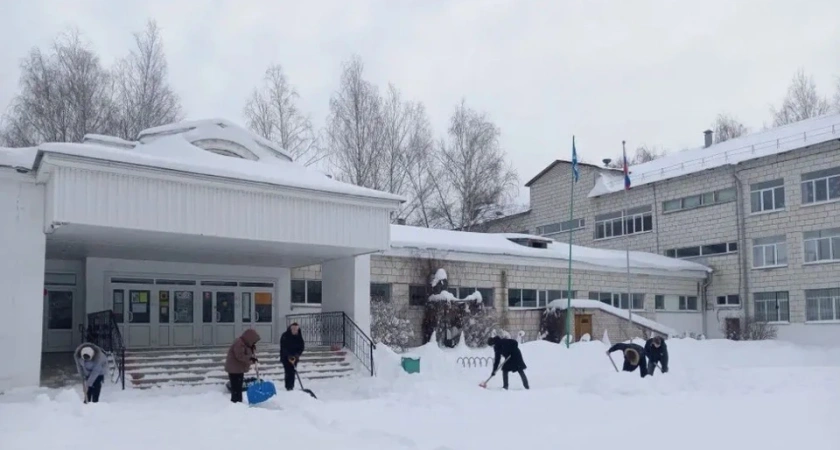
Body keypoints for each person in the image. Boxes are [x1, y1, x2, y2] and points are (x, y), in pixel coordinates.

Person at [224, 329, 260, 403]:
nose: (254, 343)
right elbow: (240, 356)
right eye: (253, 341)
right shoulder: (239, 343)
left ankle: (239, 403)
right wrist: (250, 358)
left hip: (238, 369)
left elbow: (246, 353)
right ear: (249, 338)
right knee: (236, 389)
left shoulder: (245, 343)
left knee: (238, 388)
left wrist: (251, 349)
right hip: (234, 370)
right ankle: (235, 403)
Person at [280, 322, 305, 391]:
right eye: (293, 329)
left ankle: (291, 386)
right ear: (290, 328)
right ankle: (288, 386)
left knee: (293, 371)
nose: (295, 331)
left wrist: (297, 355)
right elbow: (283, 347)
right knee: (288, 371)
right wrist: (288, 355)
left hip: (295, 357)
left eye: (296, 329)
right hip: (285, 357)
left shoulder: (299, 336)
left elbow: (301, 347)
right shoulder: (285, 336)